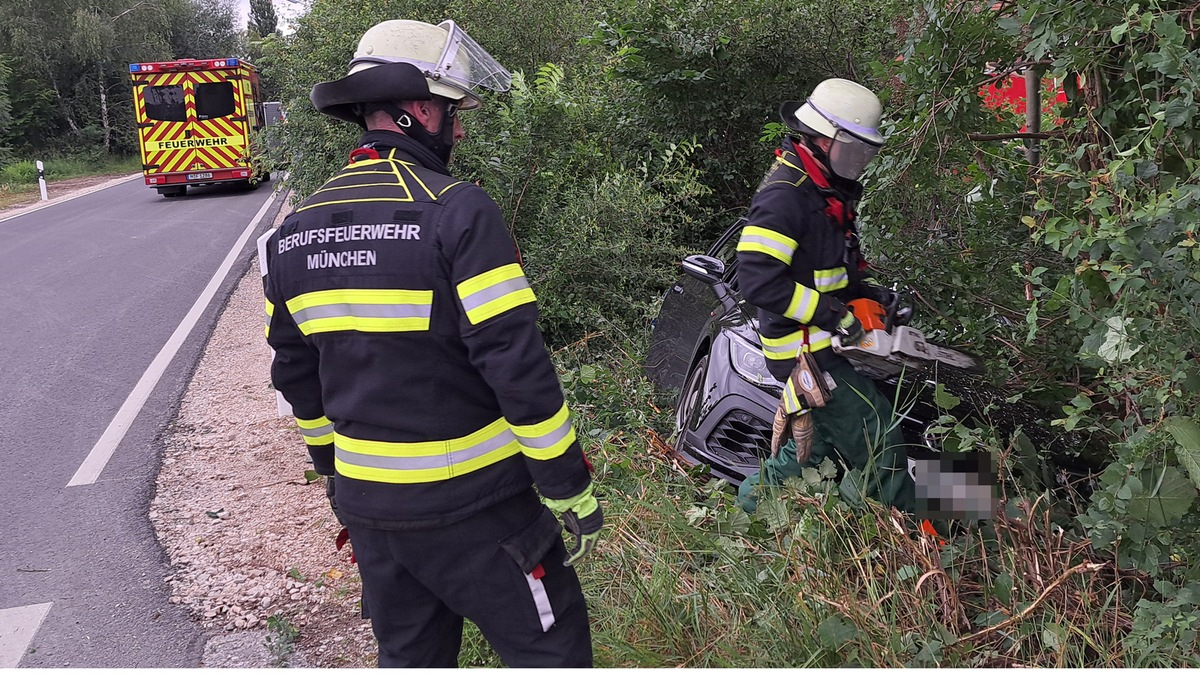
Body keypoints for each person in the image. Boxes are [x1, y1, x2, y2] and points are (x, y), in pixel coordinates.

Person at [258, 18, 601, 668]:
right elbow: (517, 365)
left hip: (372, 516)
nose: (460, 127)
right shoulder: (459, 212)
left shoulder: (292, 235)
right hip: (479, 511)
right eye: (452, 110)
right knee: (553, 654)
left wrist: (338, 476)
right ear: (416, 109)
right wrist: (566, 484)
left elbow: (297, 378)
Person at [734, 78, 915, 514]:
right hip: (804, 351)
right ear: (822, 138)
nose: (861, 161)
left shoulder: (826, 192)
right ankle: (922, 538)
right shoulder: (786, 196)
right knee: (878, 436)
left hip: (823, 344)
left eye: (866, 152)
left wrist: (870, 297)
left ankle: (750, 511)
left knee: (812, 454)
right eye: (855, 149)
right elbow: (757, 281)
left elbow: (832, 273)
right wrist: (836, 316)